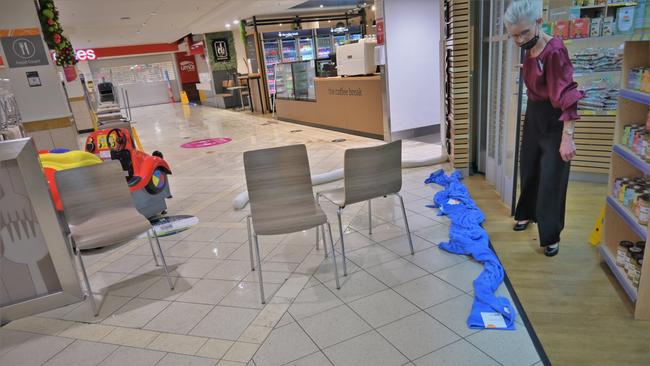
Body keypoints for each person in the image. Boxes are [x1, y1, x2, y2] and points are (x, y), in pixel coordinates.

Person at [504, 0, 584, 257]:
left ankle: (550, 234)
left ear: (539, 22)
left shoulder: (555, 51)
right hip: (535, 115)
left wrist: (567, 137)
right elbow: (537, 75)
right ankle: (526, 212)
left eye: (524, 33)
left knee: (552, 177)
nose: (519, 40)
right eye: (514, 35)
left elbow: (568, 95)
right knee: (529, 168)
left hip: (556, 118)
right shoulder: (529, 48)